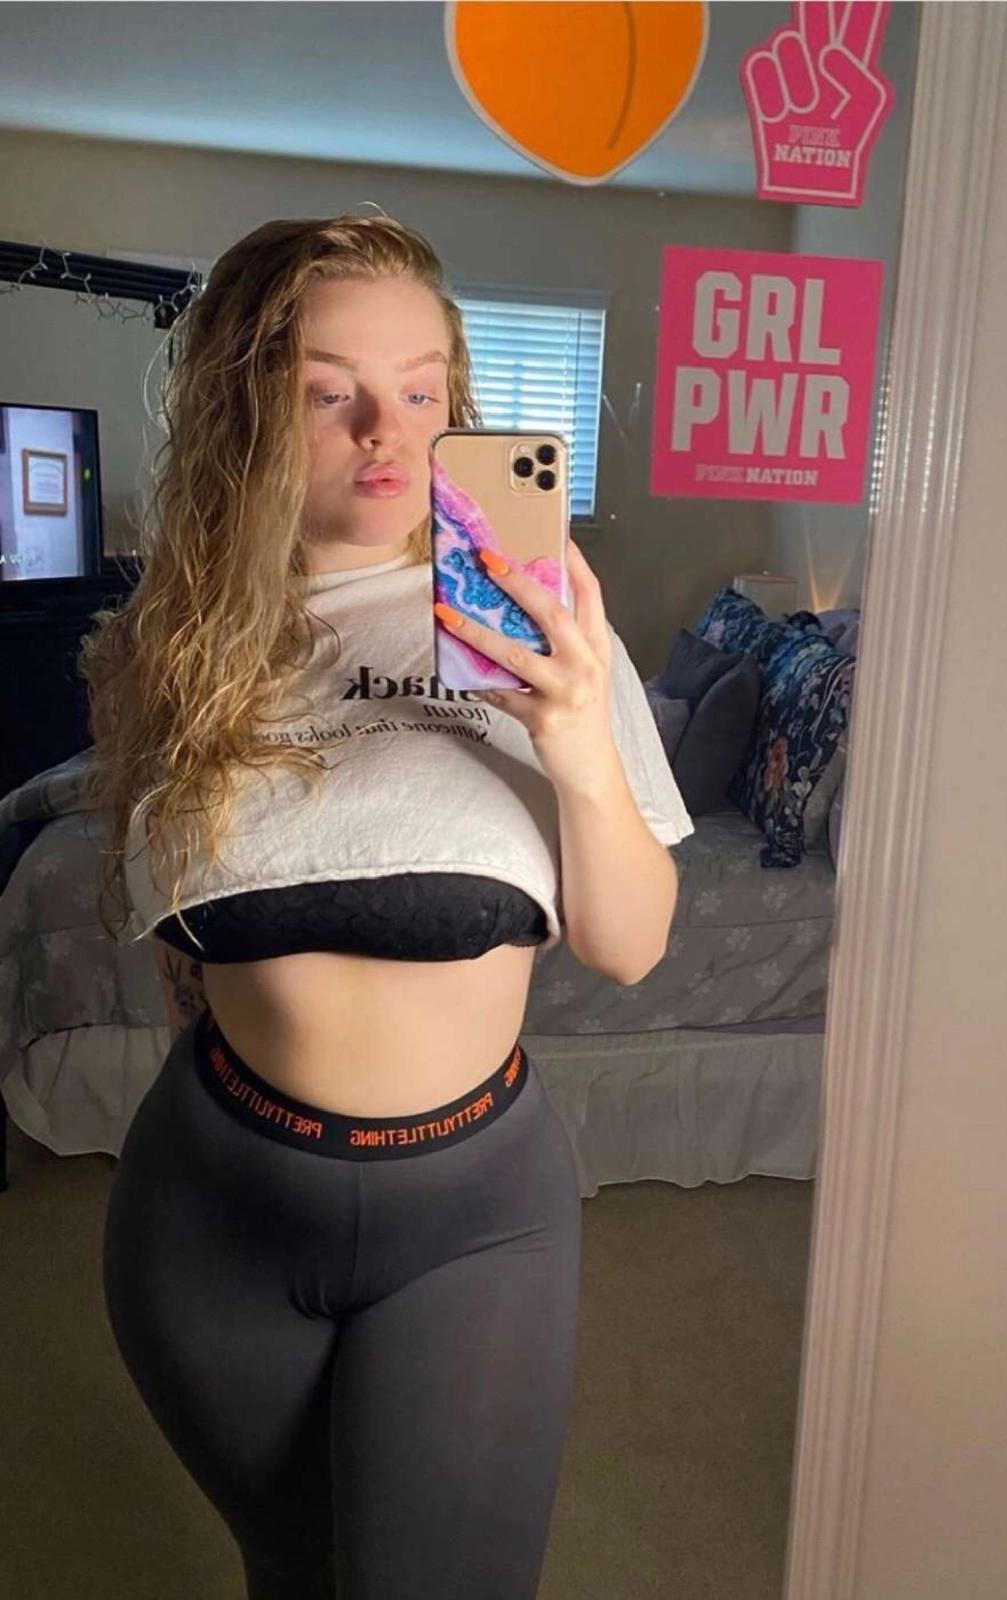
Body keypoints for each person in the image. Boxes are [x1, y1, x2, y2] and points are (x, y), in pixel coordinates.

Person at [82, 211, 693, 1600]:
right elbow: (189, 952)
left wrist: (578, 740)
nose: (387, 433)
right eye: (328, 392)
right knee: (295, 1575)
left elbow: (632, 945)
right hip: (212, 1207)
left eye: (422, 392)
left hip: (472, 1216)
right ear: (246, 409)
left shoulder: (543, 627)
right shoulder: (175, 646)